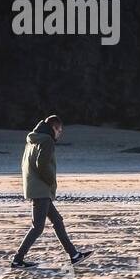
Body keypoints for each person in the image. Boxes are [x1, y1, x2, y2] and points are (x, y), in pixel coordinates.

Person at [11, 115, 92, 268]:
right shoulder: (47, 140)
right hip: (41, 189)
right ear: (53, 128)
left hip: (35, 188)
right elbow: (41, 164)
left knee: (57, 221)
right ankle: (17, 259)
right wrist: (50, 181)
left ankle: (74, 255)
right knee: (38, 227)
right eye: (59, 131)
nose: (59, 134)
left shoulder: (34, 139)